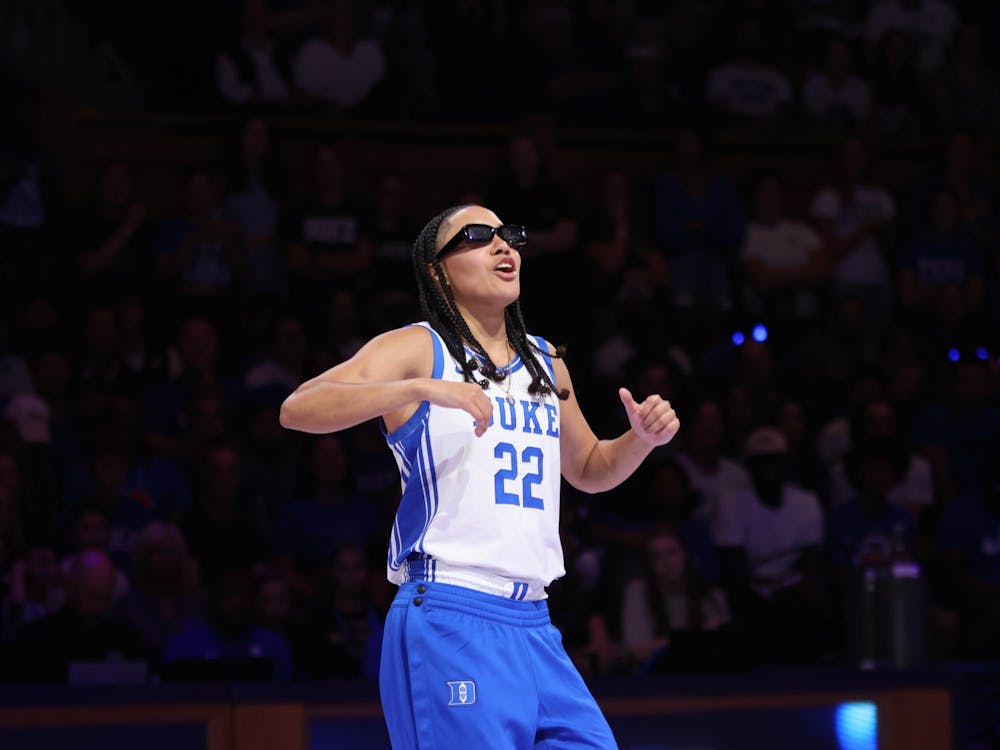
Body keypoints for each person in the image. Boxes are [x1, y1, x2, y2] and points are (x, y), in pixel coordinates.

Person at [280, 204, 680, 748]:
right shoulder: (420, 348)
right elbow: (299, 406)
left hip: (535, 623)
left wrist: (641, 440)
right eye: (477, 236)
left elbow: (588, 469)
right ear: (439, 272)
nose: (502, 245)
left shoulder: (546, 363)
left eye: (509, 234)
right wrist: (419, 388)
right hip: (450, 614)